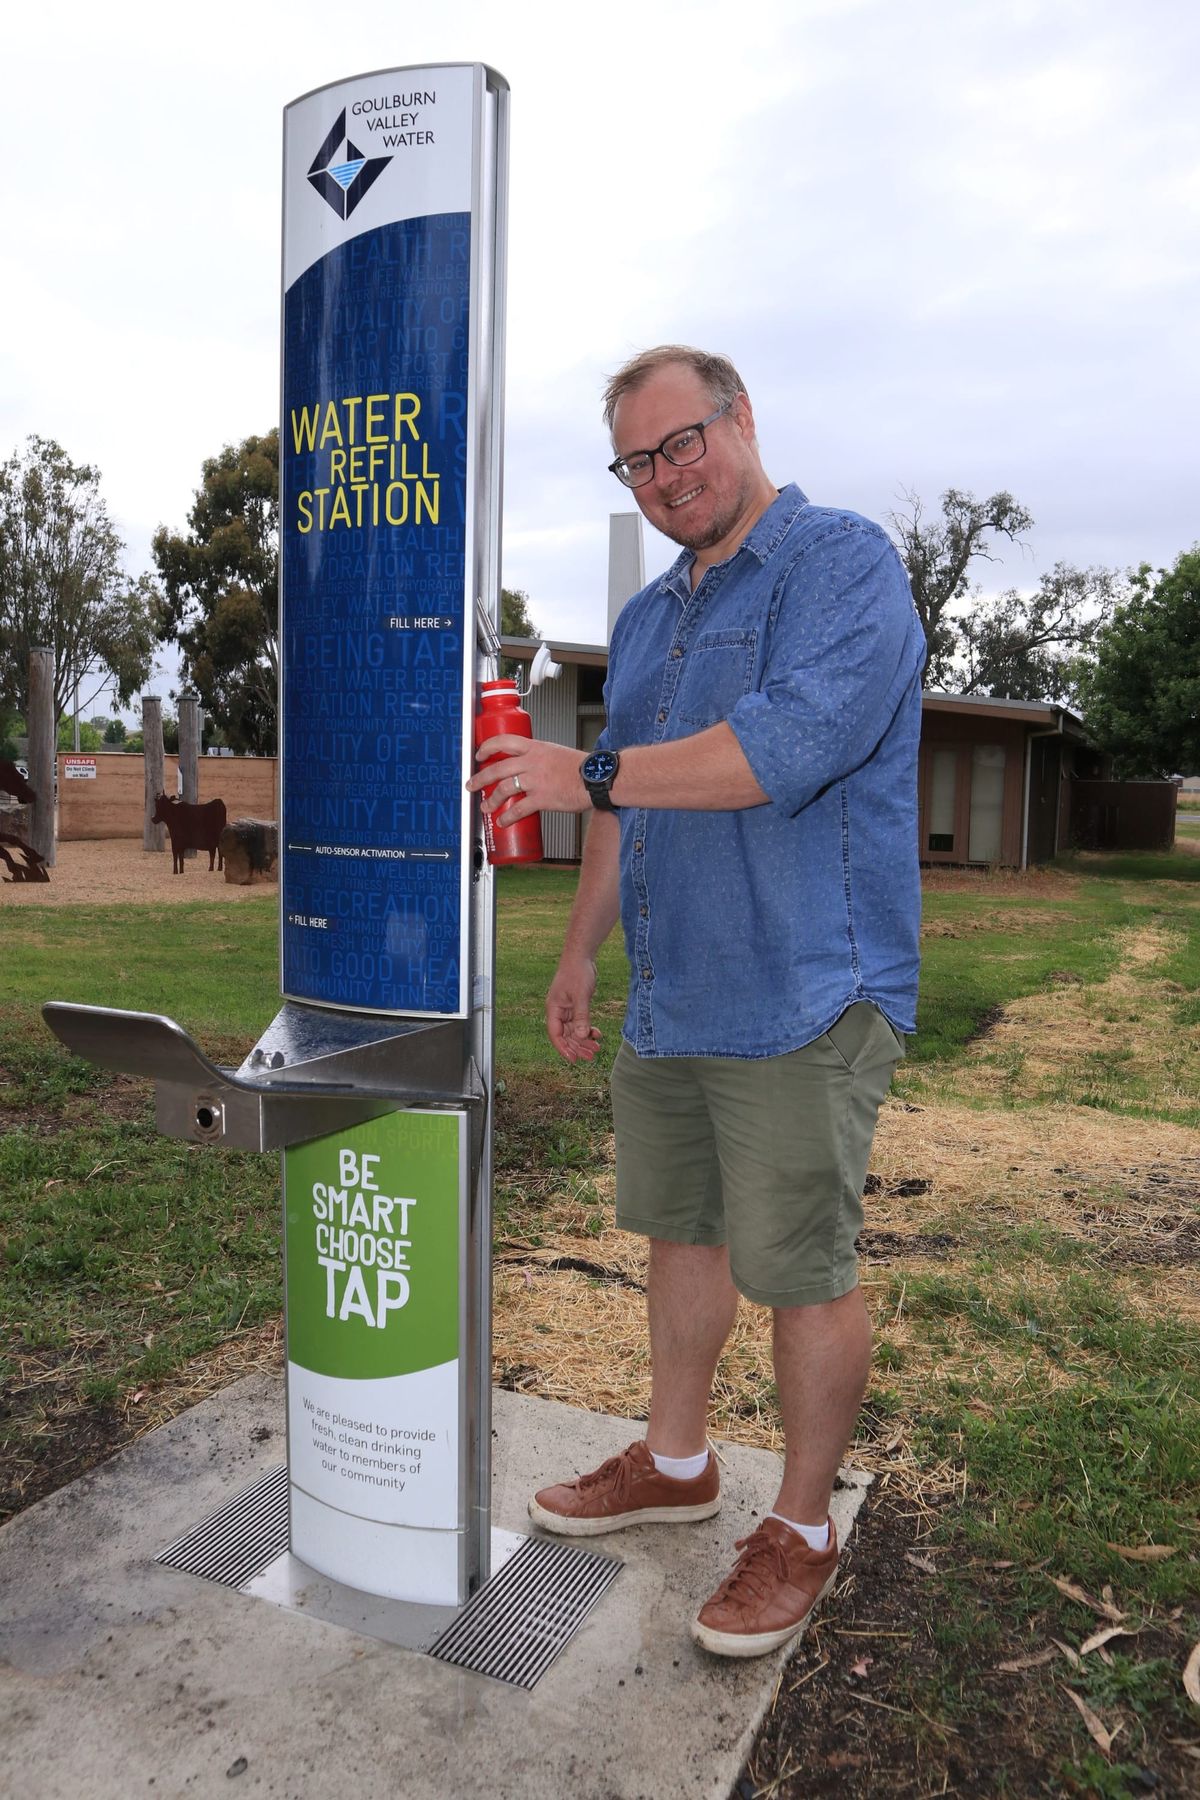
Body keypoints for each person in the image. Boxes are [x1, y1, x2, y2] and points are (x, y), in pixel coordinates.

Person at [467, 345, 925, 1659]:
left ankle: (802, 1527)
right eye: (638, 461)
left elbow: (784, 749)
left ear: (742, 420)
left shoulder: (842, 564)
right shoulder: (647, 622)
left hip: (806, 990)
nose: (667, 476)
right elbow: (624, 801)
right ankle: (677, 1464)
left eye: (684, 441)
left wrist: (585, 772)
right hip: (676, 997)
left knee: (803, 1271)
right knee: (682, 1236)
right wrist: (579, 954)